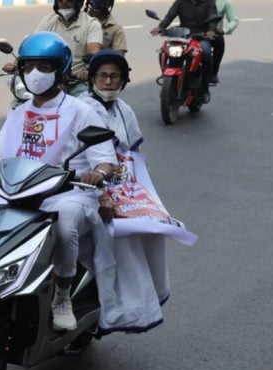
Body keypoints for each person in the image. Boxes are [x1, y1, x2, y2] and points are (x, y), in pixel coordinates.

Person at [0, 32, 117, 331]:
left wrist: (98, 174)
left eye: (44, 67)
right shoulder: (19, 113)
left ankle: (62, 296)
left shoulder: (81, 111)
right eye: (28, 67)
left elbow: (104, 158)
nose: (35, 74)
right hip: (18, 191)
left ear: (60, 70)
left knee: (65, 221)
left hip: (66, 192)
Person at [78, 49, 197, 332]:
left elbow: (132, 156)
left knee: (153, 228)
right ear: (93, 78)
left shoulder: (125, 111)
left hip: (120, 184)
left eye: (114, 76)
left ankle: (135, 303)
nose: (108, 81)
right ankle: (113, 307)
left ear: (123, 81)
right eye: (102, 76)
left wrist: (141, 197)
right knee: (115, 235)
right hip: (85, 182)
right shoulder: (80, 108)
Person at [150, 0, 217, 103]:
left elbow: (213, 19)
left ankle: (205, 87)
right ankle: (166, 77)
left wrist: (211, 31)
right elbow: (170, 16)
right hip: (183, 35)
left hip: (201, 35)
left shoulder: (209, 2)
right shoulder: (180, 2)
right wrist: (160, 27)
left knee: (207, 52)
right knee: (164, 50)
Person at [36, 0, 103, 95]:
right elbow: (35, 43)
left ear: (79, 2)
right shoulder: (47, 21)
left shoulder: (91, 24)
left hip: (77, 82)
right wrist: (18, 61)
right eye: (60, 0)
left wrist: (87, 71)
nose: (64, 2)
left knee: (84, 100)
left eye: (69, 0)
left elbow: (94, 52)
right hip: (49, 79)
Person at [210, 0, 239, 84]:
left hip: (214, 33)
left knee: (220, 42)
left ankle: (214, 72)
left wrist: (225, 30)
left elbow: (234, 20)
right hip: (196, 31)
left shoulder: (225, 2)